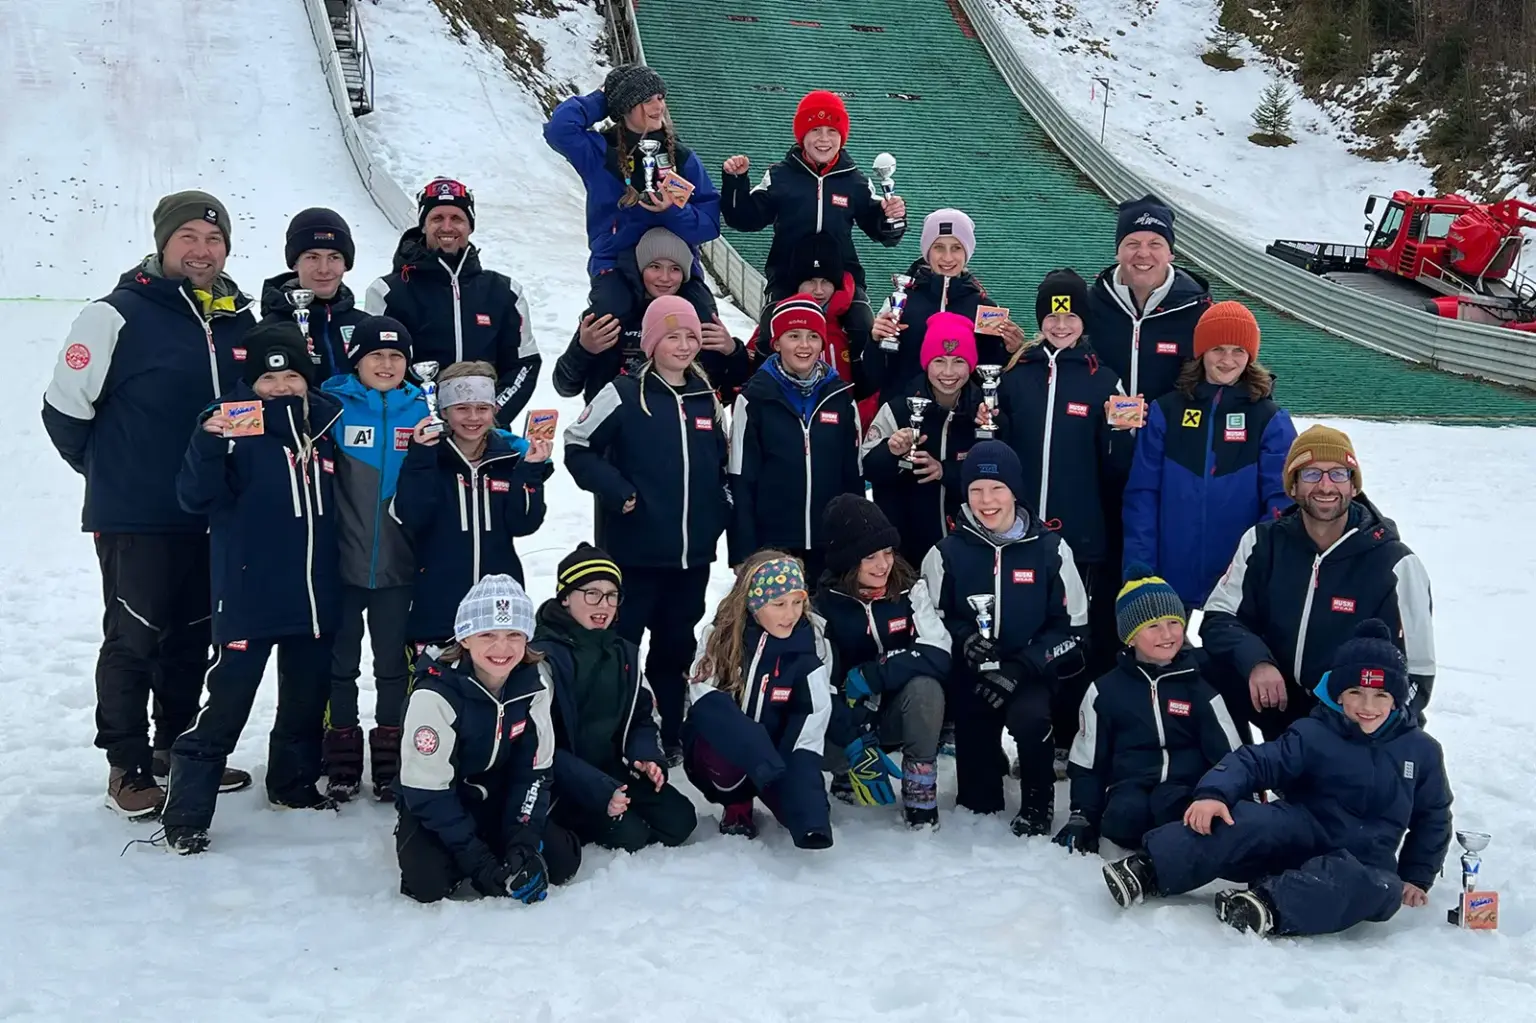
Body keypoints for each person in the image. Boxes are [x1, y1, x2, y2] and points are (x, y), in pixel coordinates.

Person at [42, 189, 255, 818]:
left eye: (213, 239)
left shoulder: (240, 320)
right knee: (134, 637)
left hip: (210, 513)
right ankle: (127, 764)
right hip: (136, 514)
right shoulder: (116, 315)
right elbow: (64, 409)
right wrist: (111, 472)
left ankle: (178, 748)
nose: (201, 250)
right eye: (188, 237)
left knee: (194, 638)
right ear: (163, 243)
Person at [1103, 619, 1453, 938]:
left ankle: (1266, 906)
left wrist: (1416, 876)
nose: (1367, 705)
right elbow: (1257, 761)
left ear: (1396, 699)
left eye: (1381, 695)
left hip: (1364, 859)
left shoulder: (1420, 751)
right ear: (1338, 694)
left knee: (1380, 889)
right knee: (1244, 819)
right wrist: (1214, 793)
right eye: (1355, 693)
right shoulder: (1315, 732)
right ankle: (1151, 868)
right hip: (1302, 831)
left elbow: (1433, 815)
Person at [160, 322, 346, 854]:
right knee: (227, 701)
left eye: (291, 375)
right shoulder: (230, 428)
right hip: (250, 594)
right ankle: (188, 812)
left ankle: (292, 784)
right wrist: (207, 442)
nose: (281, 385)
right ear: (253, 382)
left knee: (306, 699)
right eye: (270, 377)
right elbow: (195, 499)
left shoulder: (325, 425)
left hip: (314, 594)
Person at [563, 297, 731, 763]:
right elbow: (577, 446)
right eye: (672, 336)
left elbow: (721, 463)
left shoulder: (705, 395)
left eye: (691, 337)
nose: (683, 345)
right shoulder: (621, 393)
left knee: (676, 646)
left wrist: (719, 511)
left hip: (691, 555)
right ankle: (621, 729)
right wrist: (616, 490)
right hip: (633, 553)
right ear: (652, 342)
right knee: (624, 646)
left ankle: (671, 731)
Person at [1200, 426, 1435, 738]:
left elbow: (1417, 672)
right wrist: (1257, 662)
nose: (1325, 485)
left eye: (1338, 474)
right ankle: (1234, 773)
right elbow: (1219, 618)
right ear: (1293, 487)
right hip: (1278, 701)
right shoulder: (1263, 543)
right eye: (1311, 474)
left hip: (1348, 718)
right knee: (1197, 669)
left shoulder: (1394, 563)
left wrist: (1369, 726)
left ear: (1353, 486)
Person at [921, 441, 1089, 834]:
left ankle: (1038, 798)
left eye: (997, 488)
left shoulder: (1050, 549)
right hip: (973, 677)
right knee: (978, 806)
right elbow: (931, 618)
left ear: (1015, 490)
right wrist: (963, 638)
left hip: (1029, 674)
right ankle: (985, 769)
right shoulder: (946, 553)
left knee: (1031, 719)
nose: (987, 500)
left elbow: (1076, 629)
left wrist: (1022, 667)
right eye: (976, 489)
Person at [993, 269, 1133, 731]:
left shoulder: (1103, 380)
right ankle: (1032, 728)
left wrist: (1122, 435)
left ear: (1083, 321)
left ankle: (1070, 733)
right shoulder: (1017, 374)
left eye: (1070, 316)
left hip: (1079, 530)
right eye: (1052, 316)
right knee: (1029, 626)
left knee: (1074, 633)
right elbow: (1003, 446)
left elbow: (1115, 467)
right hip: (1023, 529)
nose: (1060, 325)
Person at [395, 574, 582, 902]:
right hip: (440, 801)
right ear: (465, 638)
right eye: (487, 634)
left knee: (562, 860)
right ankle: (464, 851)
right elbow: (427, 790)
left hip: (497, 799)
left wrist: (522, 843)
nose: (502, 648)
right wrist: (479, 863)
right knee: (427, 883)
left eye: (513, 634)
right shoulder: (434, 695)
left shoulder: (534, 684)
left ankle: (503, 846)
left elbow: (535, 771)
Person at [1053, 568, 1240, 855]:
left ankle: (1167, 854)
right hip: (1131, 785)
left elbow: (1228, 752)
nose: (1167, 634)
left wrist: (1237, 796)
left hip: (1185, 787)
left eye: (1173, 623)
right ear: (1129, 635)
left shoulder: (1199, 685)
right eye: (1153, 626)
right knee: (1122, 819)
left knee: (1177, 811)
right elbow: (1088, 761)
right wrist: (1082, 814)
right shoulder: (1106, 691)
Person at [1121, 300, 1296, 609]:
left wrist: (1259, 565)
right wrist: (1141, 565)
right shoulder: (1167, 410)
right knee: (1163, 654)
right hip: (1170, 571)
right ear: (1201, 352)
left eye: (1238, 350)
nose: (1227, 360)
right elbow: (1143, 493)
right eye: (1218, 349)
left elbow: (1282, 501)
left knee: (1232, 654)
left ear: (1251, 356)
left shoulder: (1269, 418)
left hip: (1237, 575)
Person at [319, 316, 429, 801]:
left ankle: (391, 749)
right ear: (356, 360)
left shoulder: (421, 408)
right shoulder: (331, 405)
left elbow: (480, 434)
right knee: (339, 664)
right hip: (341, 563)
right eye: (375, 356)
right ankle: (340, 749)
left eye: (396, 357)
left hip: (398, 566)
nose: (386, 365)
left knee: (393, 664)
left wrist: (527, 452)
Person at [531, 544, 699, 854]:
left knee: (680, 822)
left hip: (612, 770)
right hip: (563, 780)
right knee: (632, 836)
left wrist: (646, 755)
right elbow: (539, 745)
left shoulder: (624, 652)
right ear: (565, 597)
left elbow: (641, 717)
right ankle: (571, 820)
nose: (604, 605)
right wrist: (596, 789)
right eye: (592, 593)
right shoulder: (544, 657)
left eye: (611, 596)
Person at [393, 361, 554, 654]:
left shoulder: (507, 461)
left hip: (497, 607)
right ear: (444, 412)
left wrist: (530, 472)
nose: (473, 418)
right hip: (439, 604)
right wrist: (421, 459)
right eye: (462, 408)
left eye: (482, 408)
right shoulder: (430, 458)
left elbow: (524, 523)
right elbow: (413, 515)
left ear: (494, 410)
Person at [814, 496, 951, 828]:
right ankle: (847, 771)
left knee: (926, 688)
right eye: (870, 557)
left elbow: (939, 652)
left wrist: (879, 673)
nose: (882, 565)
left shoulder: (910, 591)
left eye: (888, 553)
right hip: (846, 725)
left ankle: (920, 788)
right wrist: (854, 734)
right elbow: (820, 686)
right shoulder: (822, 609)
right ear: (847, 561)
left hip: (895, 714)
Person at [682, 552, 834, 849]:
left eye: (797, 602)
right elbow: (705, 700)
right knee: (717, 729)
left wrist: (809, 815)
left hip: (777, 759)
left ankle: (792, 804)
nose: (790, 614)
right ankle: (737, 805)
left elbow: (810, 724)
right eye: (779, 604)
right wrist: (759, 758)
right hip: (735, 754)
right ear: (753, 603)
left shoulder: (811, 645)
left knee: (803, 810)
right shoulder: (718, 637)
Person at [721, 90, 904, 335]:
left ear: (842, 136)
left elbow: (885, 234)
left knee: (862, 328)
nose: (823, 139)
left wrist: (892, 216)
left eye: (832, 131)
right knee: (769, 334)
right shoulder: (780, 176)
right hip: (788, 275)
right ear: (801, 135)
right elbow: (743, 219)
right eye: (815, 130)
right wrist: (736, 181)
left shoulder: (855, 181)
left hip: (840, 276)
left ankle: (860, 371)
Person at [364, 179, 541, 426]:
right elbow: (375, 365)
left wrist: (492, 414)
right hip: (413, 429)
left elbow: (524, 364)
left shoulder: (504, 291)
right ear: (423, 226)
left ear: (470, 226)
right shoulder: (388, 291)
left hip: (485, 432)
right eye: (437, 218)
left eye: (456, 218)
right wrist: (419, 415)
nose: (447, 227)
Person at [543, 64, 721, 307]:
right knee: (606, 326)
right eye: (647, 100)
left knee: (704, 330)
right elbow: (559, 129)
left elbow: (708, 227)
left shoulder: (681, 158)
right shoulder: (600, 152)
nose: (658, 107)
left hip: (674, 270)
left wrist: (673, 210)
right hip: (615, 263)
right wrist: (606, 98)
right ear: (626, 106)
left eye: (660, 98)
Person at [729, 295, 862, 580]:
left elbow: (853, 476)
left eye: (813, 336)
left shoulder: (840, 398)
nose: (804, 345)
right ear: (777, 343)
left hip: (830, 545)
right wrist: (742, 552)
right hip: (772, 546)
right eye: (794, 336)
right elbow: (741, 477)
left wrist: (856, 542)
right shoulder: (755, 399)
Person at [554, 227, 745, 403]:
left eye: (675, 269)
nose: (665, 277)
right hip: (614, 430)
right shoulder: (611, 314)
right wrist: (582, 349)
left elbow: (725, 393)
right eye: (655, 266)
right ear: (640, 269)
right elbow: (565, 386)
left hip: (674, 429)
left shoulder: (696, 316)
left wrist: (732, 352)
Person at [860, 310, 984, 569]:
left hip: (970, 550)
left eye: (959, 361)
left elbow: (1002, 476)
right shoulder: (897, 410)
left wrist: (946, 471)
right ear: (926, 362)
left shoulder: (985, 414)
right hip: (906, 555)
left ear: (972, 365)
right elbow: (866, 467)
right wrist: (891, 452)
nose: (948, 372)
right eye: (939, 360)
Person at [866, 208, 1025, 396]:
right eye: (939, 247)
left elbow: (993, 378)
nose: (947, 257)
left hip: (962, 420)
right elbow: (871, 377)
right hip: (903, 415)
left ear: (968, 251)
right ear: (927, 251)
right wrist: (874, 342)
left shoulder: (987, 309)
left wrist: (1011, 352)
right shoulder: (899, 302)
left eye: (956, 248)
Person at [1085, 194, 1213, 405]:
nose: (1143, 253)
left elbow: (1230, 370)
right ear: (1118, 252)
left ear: (1170, 253)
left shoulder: (1198, 311)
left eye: (1155, 244)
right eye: (1133, 243)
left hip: (1168, 435)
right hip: (1103, 434)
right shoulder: (1091, 304)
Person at [744, 234, 877, 422]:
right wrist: (733, 352)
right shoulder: (777, 323)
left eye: (826, 282)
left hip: (840, 427)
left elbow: (871, 387)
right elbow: (749, 382)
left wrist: (857, 425)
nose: (819, 290)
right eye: (810, 281)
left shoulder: (853, 327)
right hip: (786, 426)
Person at [259, 207, 367, 380]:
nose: (324, 269)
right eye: (312, 257)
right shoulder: (267, 330)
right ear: (295, 263)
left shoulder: (365, 326)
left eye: (334, 257)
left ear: (345, 265)